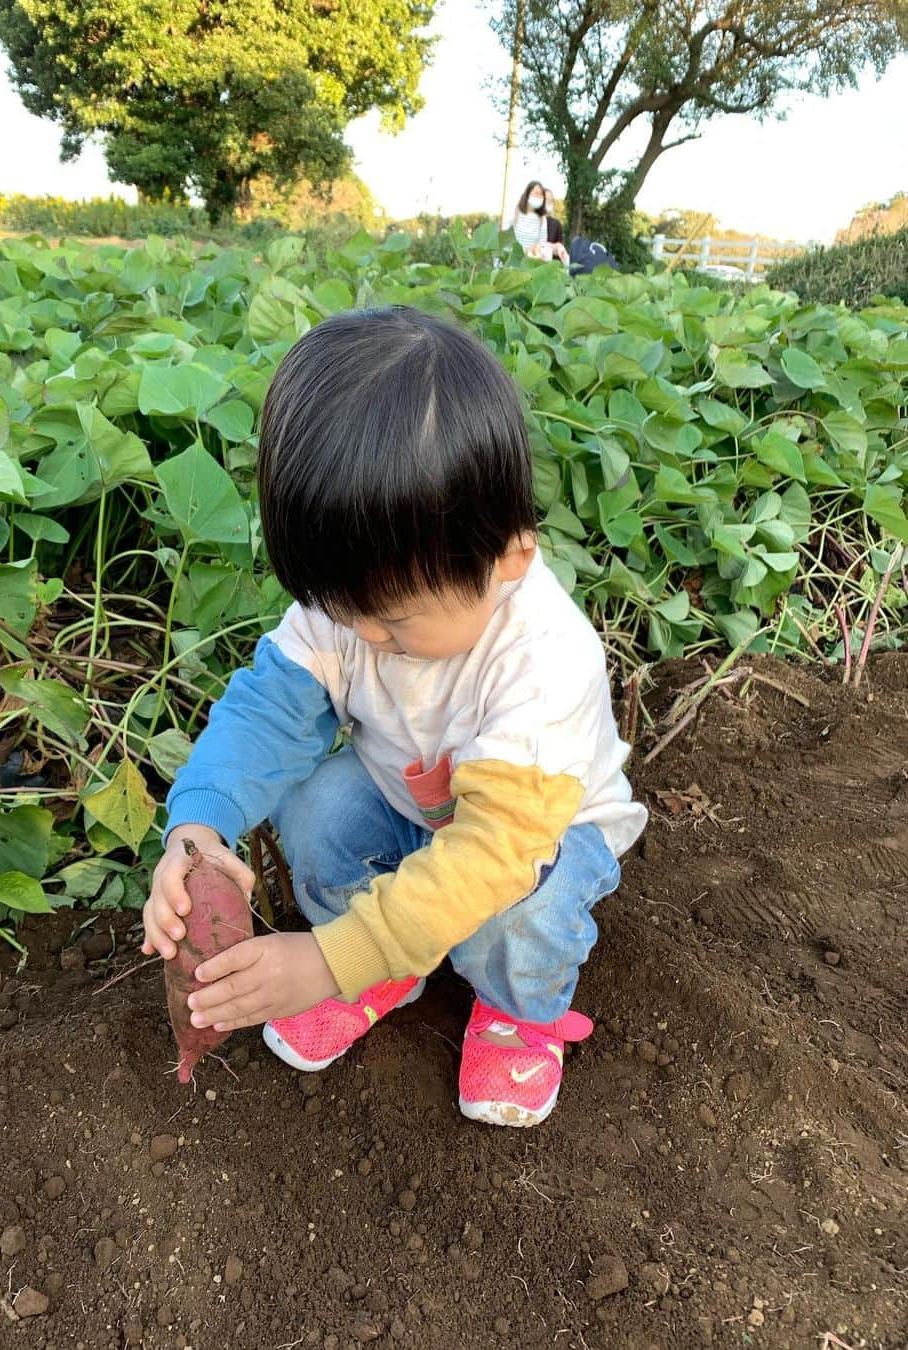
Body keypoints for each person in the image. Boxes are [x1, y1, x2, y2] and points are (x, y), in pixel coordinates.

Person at [143, 307, 646, 1128]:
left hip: (536, 841)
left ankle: (520, 1007)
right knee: (313, 805)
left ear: (509, 559)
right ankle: (382, 959)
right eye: (344, 611)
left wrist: (319, 962)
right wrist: (195, 833)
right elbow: (269, 713)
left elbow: (489, 857)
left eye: (396, 621)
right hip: (412, 803)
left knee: (521, 916)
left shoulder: (545, 660)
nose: (368, 638)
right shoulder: (354, 605)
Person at [512, 181, 569, 265]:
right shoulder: (515, 214)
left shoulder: (542, 220)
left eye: (541, 195)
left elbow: (542, 245)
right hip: (513, 262)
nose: (539, 197)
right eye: (536, 193)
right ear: (527, 194)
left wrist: (555, 247)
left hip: (530, 264)